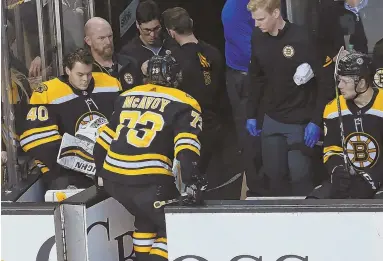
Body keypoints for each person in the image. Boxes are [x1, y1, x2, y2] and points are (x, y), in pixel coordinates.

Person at [94, 54, 205, 261]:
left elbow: (101, 144)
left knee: (145, 218)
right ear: (175, 77)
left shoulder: (127, 95)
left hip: (113, 179)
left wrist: (101, 174)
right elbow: (186, 146)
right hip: (149, 182)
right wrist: (192, 181)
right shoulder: (185, 101)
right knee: (174, 225)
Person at [246, 0, 331, 196]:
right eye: (254, 20)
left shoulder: (303, 37)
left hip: (300, 120)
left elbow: (324, 83)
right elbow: (255, 78)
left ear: (276, 13)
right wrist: (251, 114)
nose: (257, 24)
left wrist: (316, 121)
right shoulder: (258, 37)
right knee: (274, 175)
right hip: (272, 118)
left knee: (300, 175)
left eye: (261, 19)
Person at [162, 7, 242, 199]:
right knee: (216, 185)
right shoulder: (214, 52)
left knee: (190, 188)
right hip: (216, 127)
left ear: (171, 32)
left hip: (188, 130)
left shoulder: (172, 60)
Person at [18, 48, 121, 190]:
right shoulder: (46, 92)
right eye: (80, 74)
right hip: (67, 172)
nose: (85, 79)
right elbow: (36, 140)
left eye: (89, 74)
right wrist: (83, 163)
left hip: (111, 165)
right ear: (67, 70)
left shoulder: (111, 84)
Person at [308, 51, 383, 199]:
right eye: (339, 80)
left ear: (361, 83)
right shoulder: (332, 108)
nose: (339, 86)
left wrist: (374, 177)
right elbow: (332, 147)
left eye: (345, 81)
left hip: (380, 178)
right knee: (313, 202)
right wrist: (337, 170)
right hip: (352, 178)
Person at [222, 0, 265, 196]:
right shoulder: (234, 10)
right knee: (251, 137)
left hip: (255, 75)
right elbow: (253, 52)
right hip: (245, 78)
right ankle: (257, 191)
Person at [120, 0, 177, 82]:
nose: (152, 35)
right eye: (147, 30)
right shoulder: (128, 53)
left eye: (156, 29)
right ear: (137, 25)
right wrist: (140, 73)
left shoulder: (172, 44)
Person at [84, 17, 142, 91]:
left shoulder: (131, 64)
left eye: (110, 36)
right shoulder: (86, 70)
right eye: (102, 38)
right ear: (88, 41)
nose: (108, 42)